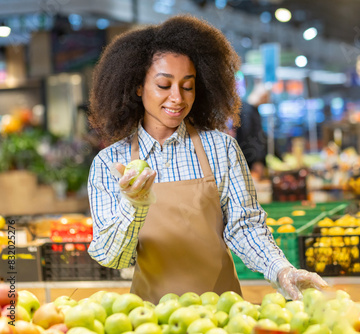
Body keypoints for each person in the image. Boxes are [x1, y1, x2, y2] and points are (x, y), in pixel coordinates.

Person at [87, 14, 327, 304]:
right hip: (151, 317)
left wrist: (280, 270)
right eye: (164, 85)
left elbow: (244, 226)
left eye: (187, 86)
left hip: (222, 313)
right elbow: (112, 257)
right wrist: (134, 205)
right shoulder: (109, 163)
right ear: (138, 87)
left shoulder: (220, 149)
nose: (177, 97)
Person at [235, 83, 269, 178]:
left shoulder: (252, 110)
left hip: (251, 159)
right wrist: (256, 160)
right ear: (262, 96)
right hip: (250, 161)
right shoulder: (246, 111)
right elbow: (247, 137)